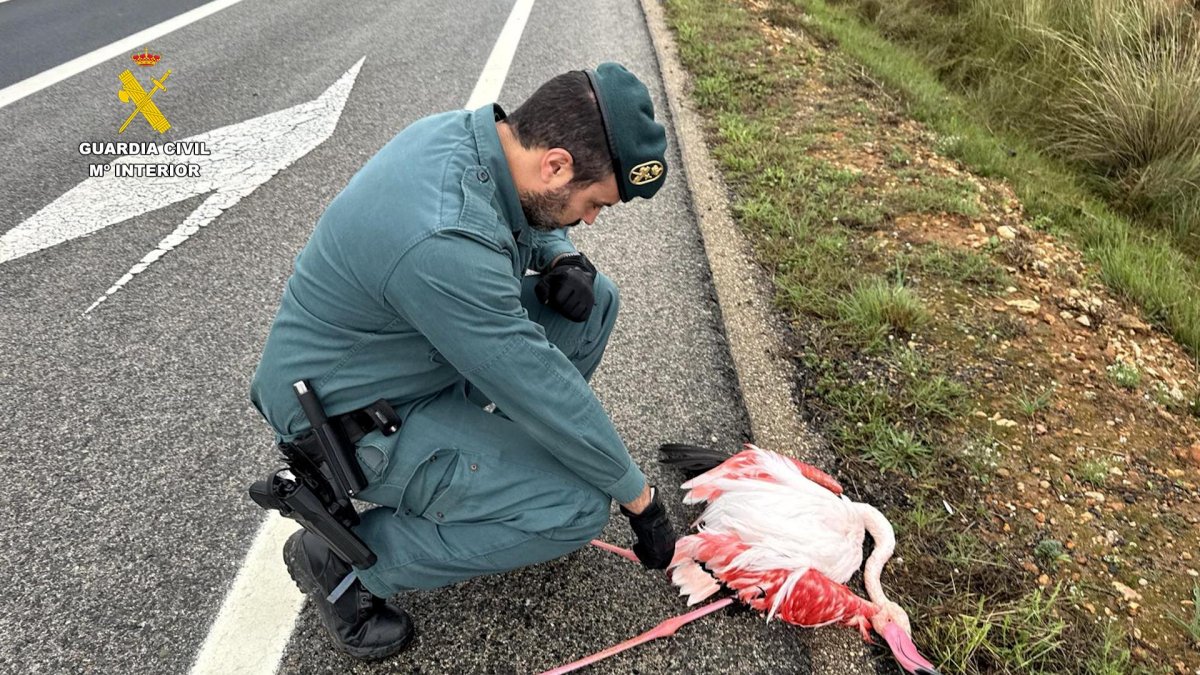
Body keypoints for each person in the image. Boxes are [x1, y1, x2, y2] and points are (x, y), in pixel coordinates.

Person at [248, 63, 678, 660]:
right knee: (577, 508)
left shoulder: (471, 139)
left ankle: (500, 481)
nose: (589, 220)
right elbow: (539, 383)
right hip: (351, 418)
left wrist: (562, 257)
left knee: (593, 301)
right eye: (592, 202)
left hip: (408, 356)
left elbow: (519, 212)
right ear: (556, 165)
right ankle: (347, 568)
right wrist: (641, 500)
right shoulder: (442, 238)